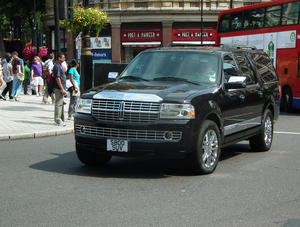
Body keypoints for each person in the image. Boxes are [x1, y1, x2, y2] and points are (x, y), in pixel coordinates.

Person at [52, 53, 67, 126]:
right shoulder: (57, 66)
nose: (64, 59)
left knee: (61, 103)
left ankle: (61, 118)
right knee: (58, 103)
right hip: (58, 88)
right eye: (63, 57)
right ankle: (58, 119)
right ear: (59, 58)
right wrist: (62, 88)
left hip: (60, 88)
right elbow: (57, 78)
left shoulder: (60, 65)